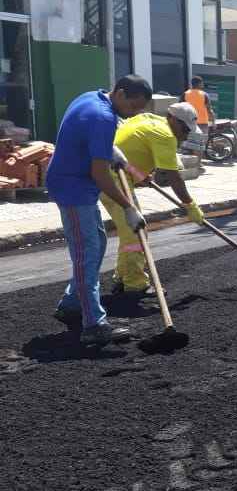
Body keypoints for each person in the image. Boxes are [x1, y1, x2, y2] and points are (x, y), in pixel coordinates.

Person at [46, 76, 153, 345]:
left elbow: (82, 131)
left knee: (97, 242)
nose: (133, 115)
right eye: (133, 107)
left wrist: (108, 149)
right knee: (87, 253)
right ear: (120, 93)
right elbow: (100, 175)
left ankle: (71, 304)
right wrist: (129, 208)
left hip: (75, 183)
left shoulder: (91, 96)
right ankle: (93, 324)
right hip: (73, 188)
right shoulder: (103, 118)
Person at [101, 101, 207, 296]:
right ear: (173, 120)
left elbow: (127, 147)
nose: (185, 134)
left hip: (112, 171)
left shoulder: (150, 120)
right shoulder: (165, 135)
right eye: (184, 129)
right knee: (135, 231)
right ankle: (135, 283)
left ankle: (123, 276)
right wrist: (190, 206)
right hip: (112, 178)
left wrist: (138, 173)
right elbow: (174, 178)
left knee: (129, 230)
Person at [181, 76, 215, 154]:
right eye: (202, 83)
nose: (203, 84)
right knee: (201, 144)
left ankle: (191, 162)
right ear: (199, 84)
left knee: (190, 143)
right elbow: (209, 110)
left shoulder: (185, 94)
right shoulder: (204, 95)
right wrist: (213, 121)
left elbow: (180, 108)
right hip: (202, 123)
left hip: (189, 122)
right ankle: (198, 163)